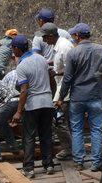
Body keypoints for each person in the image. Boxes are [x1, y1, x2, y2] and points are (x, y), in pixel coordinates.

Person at [58, 23, 102, 171]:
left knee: (77, 129)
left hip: (78, 97)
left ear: (77, 36)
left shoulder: (73, 53)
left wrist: (61, 97)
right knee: (96, 129)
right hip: (95, 95)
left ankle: (79, 161)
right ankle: (96, 162)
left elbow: (67, 78)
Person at [10, 35, 56, 178]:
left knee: (29, 137)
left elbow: (24, 90)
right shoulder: (42, 59)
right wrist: (52, 96)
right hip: (47, 103)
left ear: (17, 49)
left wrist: (18, 111)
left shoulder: (22, 66)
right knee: (46, 134)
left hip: (33, 105)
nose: (12, 52)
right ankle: (48, 164)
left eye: (13, 49)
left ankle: (29, 168)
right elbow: (51, 79)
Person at [38, 22, 74, 160]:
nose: (44, 40)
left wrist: (56, 75)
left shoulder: (64, 47)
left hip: (65, 88)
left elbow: (70, 71)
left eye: (45, 37)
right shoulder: (58, 46)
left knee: (57, 119)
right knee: (63, 119)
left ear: (52, 36)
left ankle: (68, 148)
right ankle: (71, 147)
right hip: (61, 85)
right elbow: (59, 64)